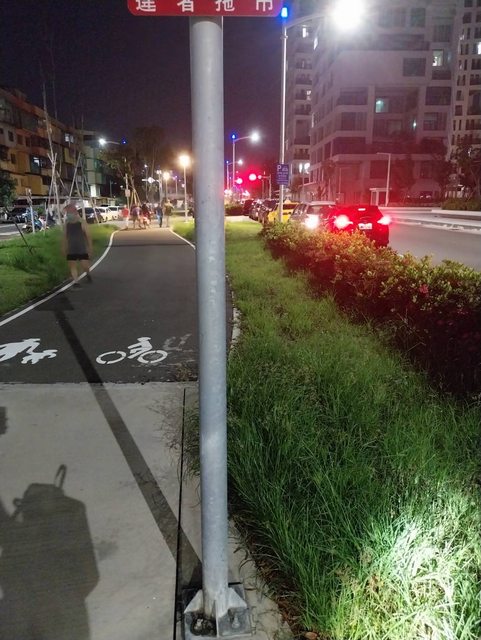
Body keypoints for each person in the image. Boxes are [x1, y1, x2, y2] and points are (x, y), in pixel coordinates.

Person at [62, 203, 93, 286]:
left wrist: (90, 248)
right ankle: (76, 281)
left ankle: (88, 274)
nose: (68, 214)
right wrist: (63, 247)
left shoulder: (82, 222)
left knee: (85, 266)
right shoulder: (66, 224)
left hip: (81, 248)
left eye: (69, 212)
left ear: (75, 212)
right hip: (71, 248)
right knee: (72, 266)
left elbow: (88, 236)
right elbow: (64, 237)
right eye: (67, 213)